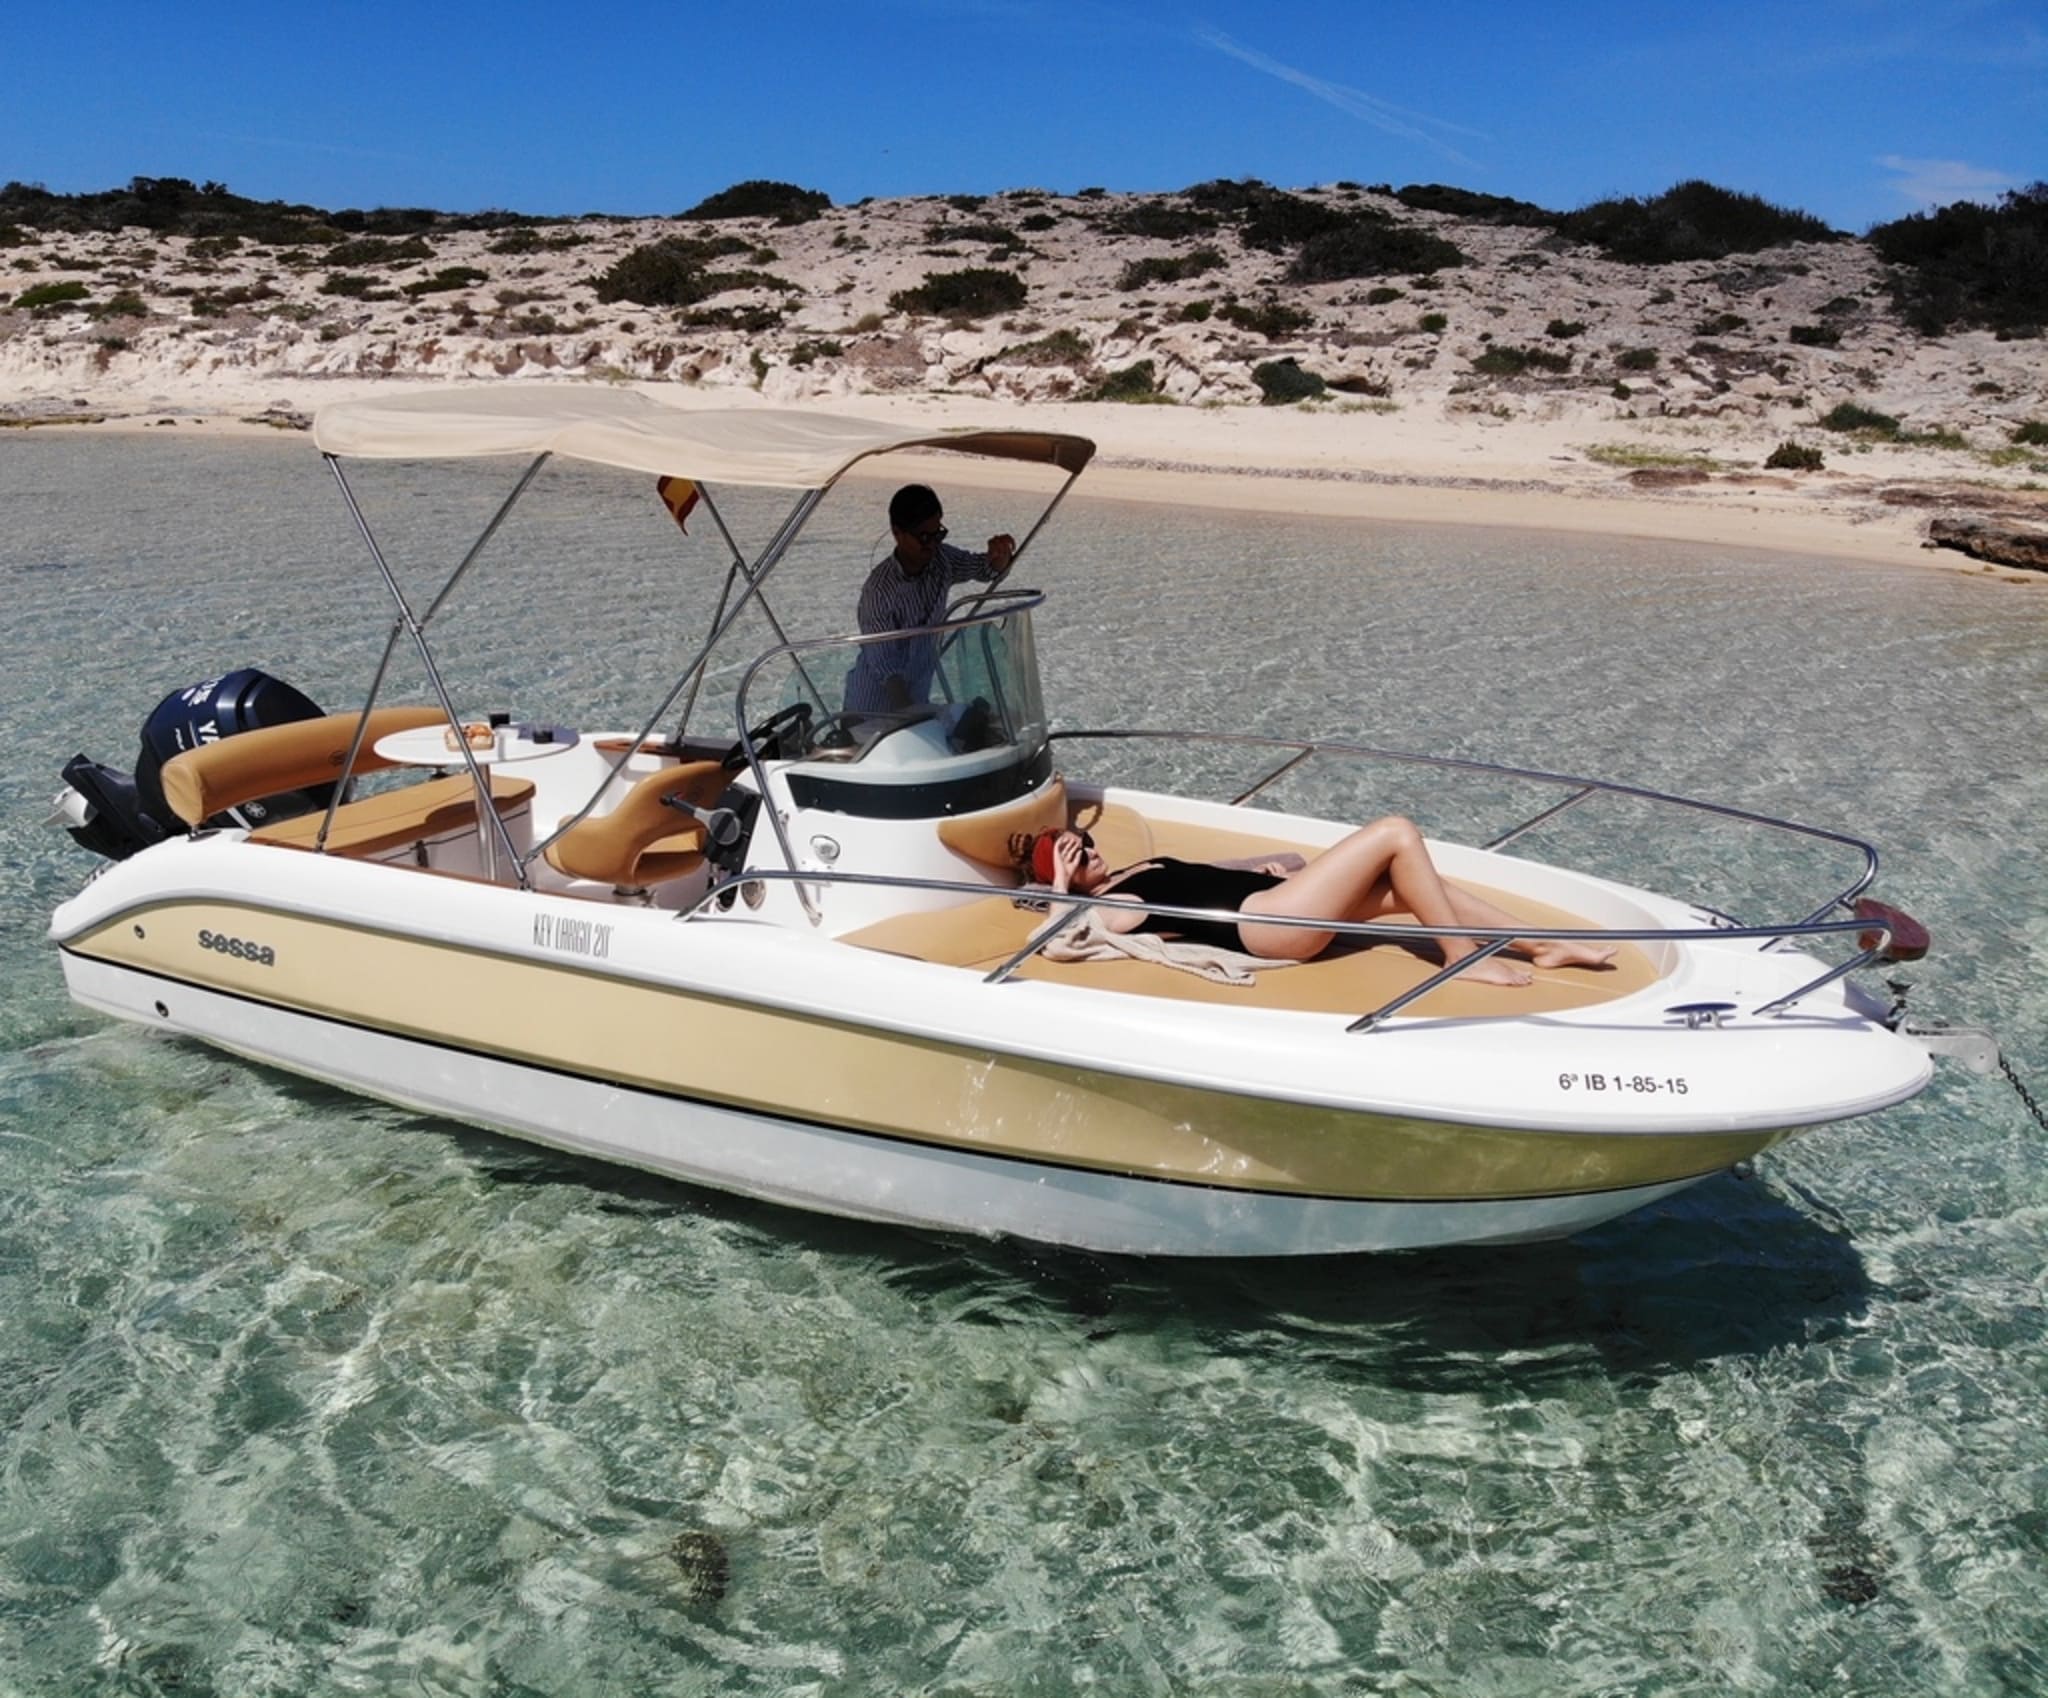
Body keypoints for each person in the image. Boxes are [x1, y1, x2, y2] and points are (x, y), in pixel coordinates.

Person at [1031, 818, 1617, 986]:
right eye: (1073, 856)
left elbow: (1248, 868)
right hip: (1266, 927)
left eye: (1082, 843)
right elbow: (1057, 943)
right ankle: (1462, 958)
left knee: (1411, 888)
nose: (1086, 851)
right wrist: (1058, 886)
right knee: (1395, 833)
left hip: (1275, 901)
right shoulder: (1112, 906)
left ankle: (1542, 945)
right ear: (1067, 878)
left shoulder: (1140, 869)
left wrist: (1269, 867)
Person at [844, 485, 1015, 713]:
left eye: (938, 535)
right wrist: (912, 715)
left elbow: (983, 569)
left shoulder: (942, 559)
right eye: (924, 537)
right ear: (898, 533)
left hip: (914, 702)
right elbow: (885, 666)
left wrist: (999, 557)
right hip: (871, 713)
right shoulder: (879, 589)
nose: (933, 544)